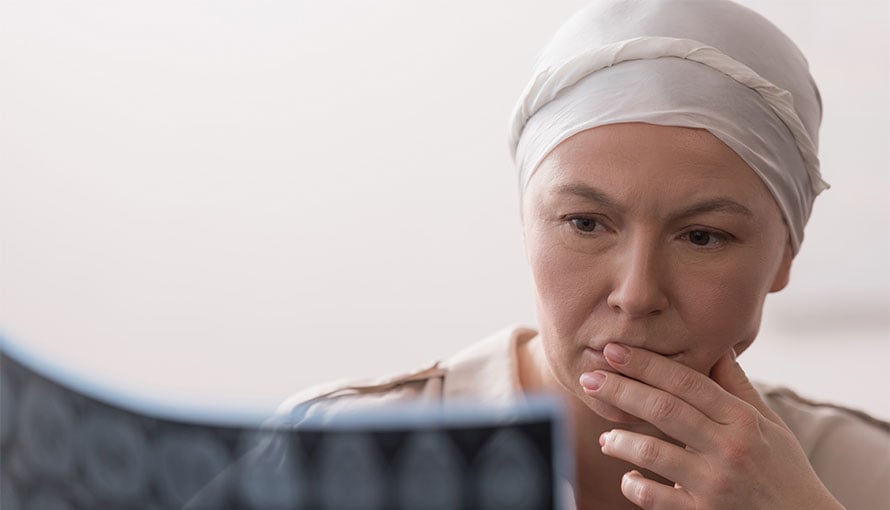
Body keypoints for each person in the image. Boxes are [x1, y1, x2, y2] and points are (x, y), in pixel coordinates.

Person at [276, 1, 890, 508]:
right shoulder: (334, 448)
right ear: (526, 227)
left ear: (785, 256)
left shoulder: (866, 476)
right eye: (586, 223)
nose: (637, 293)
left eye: (702, 236)